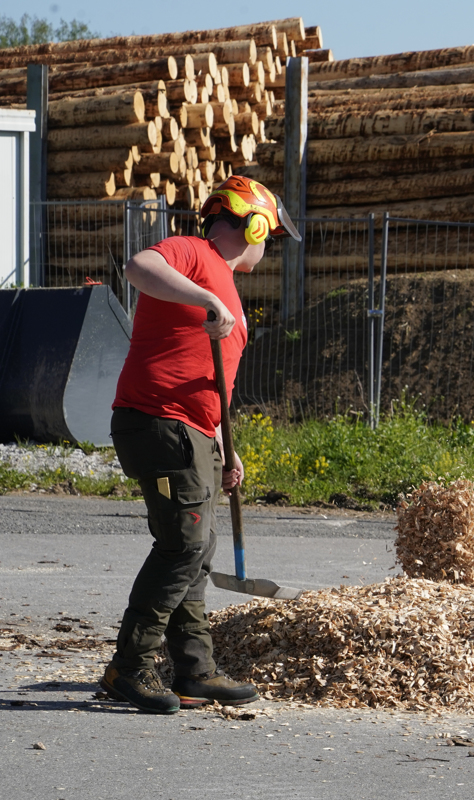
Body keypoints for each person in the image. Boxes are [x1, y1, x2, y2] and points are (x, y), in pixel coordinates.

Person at [101, 176, 301, 713]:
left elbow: (210, 379)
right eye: (269, 236)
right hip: (157, 421)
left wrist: (223, 446)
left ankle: (194, 670)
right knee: (184, 545)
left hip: (194, 430)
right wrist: (206, 296)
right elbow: (139, 267)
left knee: (198, 548)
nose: (268, 248)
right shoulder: (195, 253)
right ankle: (129, 667)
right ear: (252, 227)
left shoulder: (225, 284)